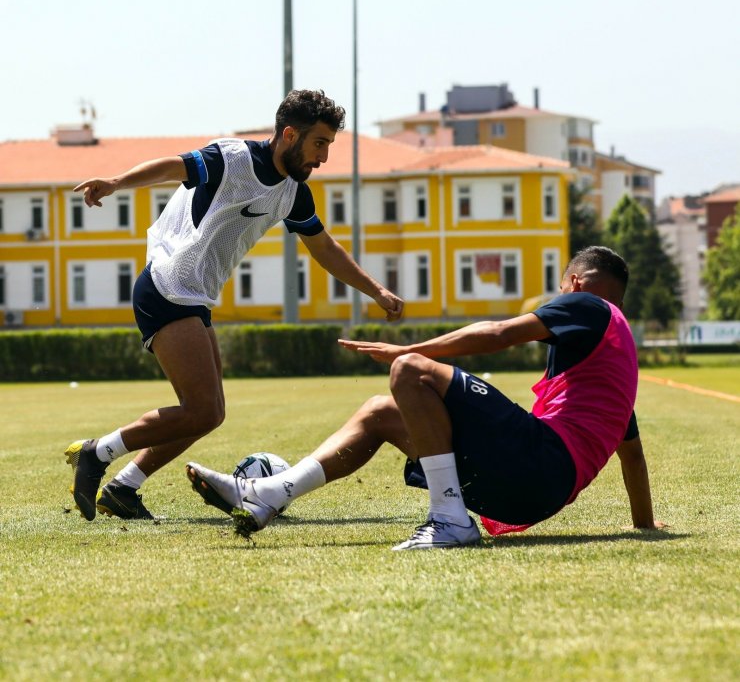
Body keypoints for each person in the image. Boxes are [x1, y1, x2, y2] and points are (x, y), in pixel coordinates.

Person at [65, 89, 404, 522]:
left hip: (195, 296)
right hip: (168, 286)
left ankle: (122, 487)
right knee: (201, 408)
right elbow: (173, 165)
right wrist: (115, 182)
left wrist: (375, 290)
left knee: (209, 414)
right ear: (288, 135)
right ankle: (98, 452)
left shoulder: (294, 192)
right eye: (319, 143)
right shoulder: (233, 158)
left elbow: (324, 248)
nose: (323, 157)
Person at [186, 246, 665, 550]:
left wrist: (407, 349)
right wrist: (643, 526)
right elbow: (633, 454)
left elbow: (498, 333)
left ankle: (450, 520)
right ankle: (268, 495)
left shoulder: (586, 304)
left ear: (576, 284)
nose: (558, 300)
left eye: (560, 291)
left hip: (537, 463)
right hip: (533, 492)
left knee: (412, 371)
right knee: (379, 413)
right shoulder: (612, 364)